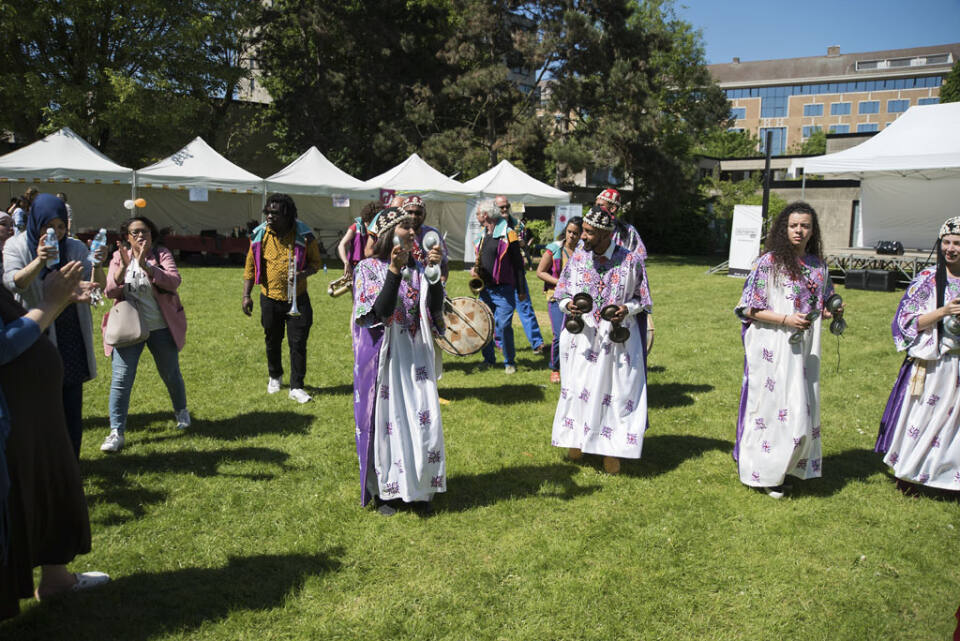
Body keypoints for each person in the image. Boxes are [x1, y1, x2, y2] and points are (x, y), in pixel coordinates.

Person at [0, 260, 109, 620]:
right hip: (11, 421)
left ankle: (56, 577)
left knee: (47, 489)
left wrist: (59, 301)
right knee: (15, 504)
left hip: (31, 417)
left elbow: (20, 328)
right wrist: (49, 304)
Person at [733, 201, 840, 499]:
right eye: (793, 225)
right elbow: (748, 308)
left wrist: (831, 310)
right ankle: (764, 471)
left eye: (805, 226)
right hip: (773, 344)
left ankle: (787, 466)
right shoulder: (769, 263)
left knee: (799, 408)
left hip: (805, 348)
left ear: (812, 230)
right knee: (772, 407)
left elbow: (820, 302)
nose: (799, 231)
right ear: (784, 228)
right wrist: (786, 319)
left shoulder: (818, 267)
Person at [352, 207, 446, 516]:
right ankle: (387, 493)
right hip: (387, 357)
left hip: (416, 352)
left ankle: (419, 488)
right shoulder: (366, 268)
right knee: (389, 423)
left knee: (422, 419)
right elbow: (378, 312)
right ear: (389, 233)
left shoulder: (418, 267)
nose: (413, 231)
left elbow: (434, 309)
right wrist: (393, 271)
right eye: (406, 226)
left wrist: (433, 274)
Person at [3, 194, 106, 458]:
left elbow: (98, 287)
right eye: (49, 226)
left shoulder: (74, 248)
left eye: (61, 226)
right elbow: (14, 283)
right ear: (35, 222)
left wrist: (97, 265)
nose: (56, 232)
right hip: (34, 333)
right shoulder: (16, 246)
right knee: (38, 407)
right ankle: (41, 465)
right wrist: (38, 260)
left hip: (70, 334)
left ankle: (72, 464)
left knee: (71, 407)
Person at [550, 206, 650, 475]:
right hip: (582, 338)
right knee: (577, 388)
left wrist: (627, 309)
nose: (582, 236)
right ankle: (576, 440)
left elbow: (642, 298)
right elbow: (561, 291)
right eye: (583, 230)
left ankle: (610, 450)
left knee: (616, 392)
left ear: (606, 234)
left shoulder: (630, 260)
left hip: (615, 340)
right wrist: (568, 305)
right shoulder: (578, 258)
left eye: (589, 232)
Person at [875, 216, 960, 494]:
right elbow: (906, 321)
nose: (951, 248)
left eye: (957, 243)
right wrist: (943, 312)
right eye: (946, 242)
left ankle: (948, 476)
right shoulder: (927, 280)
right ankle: (911, 473)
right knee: (926, 417)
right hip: (934, 362)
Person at [99, 216, 189, 453]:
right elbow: (109, 291)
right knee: (121, 379)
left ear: (152, 234)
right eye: (135, 232)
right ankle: (116, 432)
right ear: (127, 237)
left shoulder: (161, 254)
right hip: (128, 328)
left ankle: (181, 411)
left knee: (171, 373)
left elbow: (174, 282)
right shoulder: (118, 256)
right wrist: (124, 267)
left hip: (160, 326)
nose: (141, 236)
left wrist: (147, 267)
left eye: (145, 231)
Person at [242, 193, 321, 403]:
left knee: (298, 343)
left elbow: (316, 263)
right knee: (272, 339)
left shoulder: (305, 235)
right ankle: (275, 376)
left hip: (298, 299)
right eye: (268, 212)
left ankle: (297, 386)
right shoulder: (260, 235)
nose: (269, 216)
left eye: (275, 213)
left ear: (287, 215)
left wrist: (302, 274)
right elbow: (250, 267)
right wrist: (246, 295)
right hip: (269, 298)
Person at [472, 200, 527, 374]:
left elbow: (518, 264)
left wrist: (521, 289)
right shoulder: (482, 235)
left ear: (486, 215)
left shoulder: (509, 234)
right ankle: (488, 359)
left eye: (478, 213)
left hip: (504, 290)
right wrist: (475, 270)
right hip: (485, 289)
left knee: (503, 325)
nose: (477, 216)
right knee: (485, 325)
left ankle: (509, 361)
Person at [495, 195, 545, 355]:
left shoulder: (518, 225)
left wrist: (521, 243)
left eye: (506, 206)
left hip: (517, 273)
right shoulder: (492, 225)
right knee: (501, 312)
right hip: (500, 275)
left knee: (525, 307)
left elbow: (524, 244)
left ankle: (537, 343)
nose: (504, 209)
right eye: (501, 207)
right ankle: (500, 342)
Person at [537, 216, 583, 383]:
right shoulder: (554, 249)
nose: (571, 236)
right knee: (559, 334)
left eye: (576, 233)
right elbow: (540, 272)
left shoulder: (584, 251)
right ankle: (555, 368)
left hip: (578, 298)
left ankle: (575, 367)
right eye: (569, 232)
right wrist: (560, 283)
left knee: (578, 334)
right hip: (556, 297)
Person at [337, 201, 380, 280]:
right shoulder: (355, 227)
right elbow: (341, 245)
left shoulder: (378, 229)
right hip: (355, 266)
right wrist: (346, 262)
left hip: (373, 266)